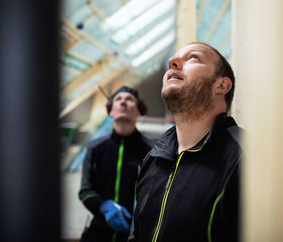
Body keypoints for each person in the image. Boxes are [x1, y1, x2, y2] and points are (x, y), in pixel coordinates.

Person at [128, 42, 243, 242]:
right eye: (173, 60)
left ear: (221, 85)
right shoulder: (154, 156)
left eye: (193, 57)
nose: (172, 62)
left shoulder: (246, 156)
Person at [78, 86, 154, 242]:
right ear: (110, 111)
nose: (123, 102)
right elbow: (86, 190)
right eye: (118, 99)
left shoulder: (152, 151)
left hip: (135, 235)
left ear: (139, 111)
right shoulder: (95, 148)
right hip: (98, 233)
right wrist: (103, 206)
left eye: (129, 99)